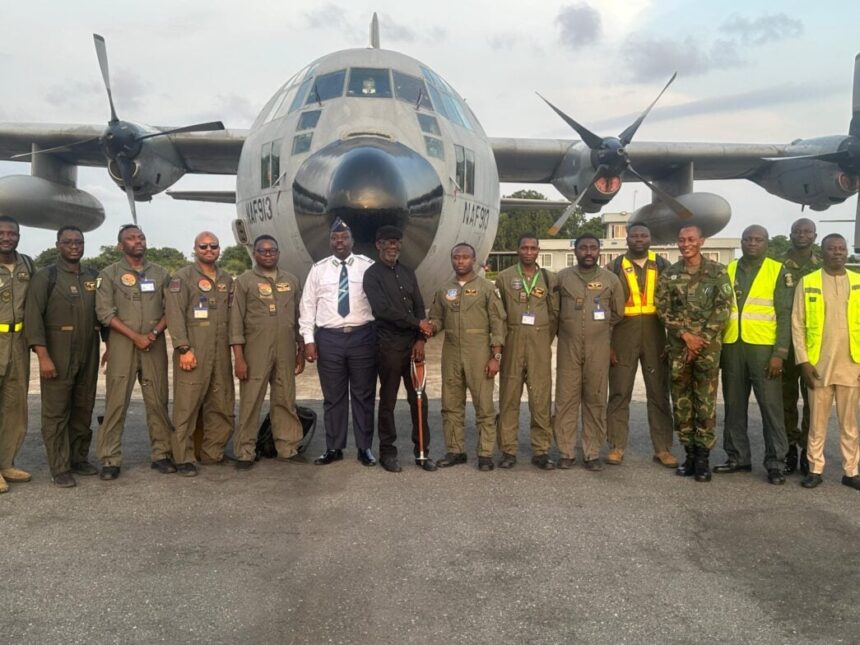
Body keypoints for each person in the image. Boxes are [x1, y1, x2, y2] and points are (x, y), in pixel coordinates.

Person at [25, 226, 102, 487]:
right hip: (58, 351)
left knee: (83, 406)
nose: (74, 246)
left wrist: (110, 346)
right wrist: (43, 356)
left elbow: (103, 312)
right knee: (56, 411)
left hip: (89, 351)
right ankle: (59, 467)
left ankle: (78, 458)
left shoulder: (93, 276)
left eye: (78, 242)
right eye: (68, 242)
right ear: (58, 245)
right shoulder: (46, 277)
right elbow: (33, 318)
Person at [95, 224, 173, 480]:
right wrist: (135, 336)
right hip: (122, 345)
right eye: (131, 238)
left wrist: (153, 334)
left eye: (141, 237)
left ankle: (162, 454)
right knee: (116, 402)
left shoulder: (161, 273)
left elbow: (171, 309)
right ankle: (110, 458)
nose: (138, 241)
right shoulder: (109, 274)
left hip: (153, 344)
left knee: (158, 400)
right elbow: (104, 313)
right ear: (121, 246)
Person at [714, 225, 791, 485]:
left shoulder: (777, 270)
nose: (752, 243)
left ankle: (776, 462)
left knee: (771, 408)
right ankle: (738, 457)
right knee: (734, 405)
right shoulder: (730, 269)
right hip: (733, 346)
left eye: (758, 239)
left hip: (764, 349)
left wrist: (780, 353)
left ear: (766, 243)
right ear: (742, 242)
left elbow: (784, 315)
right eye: (748, 239)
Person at [655, 225, 733, 483]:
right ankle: (688, 453)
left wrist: (701, 340)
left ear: (701, 241)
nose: (685, 244)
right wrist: (685, 336)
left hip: (707, 350)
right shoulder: (670, 273)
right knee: (681, 401)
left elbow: (723, 308)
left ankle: (703, 458)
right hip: (679, 347)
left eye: (690, 239)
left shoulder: (717, 271)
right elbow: (662, 308)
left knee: (705, 402)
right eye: (681, 240)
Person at [299, 219, 377, 466]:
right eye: (334, 238)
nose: (339, 242)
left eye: (344, 238)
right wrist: (309, 340)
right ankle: (334, 447)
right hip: (329, 338)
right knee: (333, 397)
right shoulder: (318, 269)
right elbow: (308, 305)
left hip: (362, 336)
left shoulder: (367, 266)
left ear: (352, 241)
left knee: (363, 395)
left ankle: (364, 447)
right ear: (330, 242)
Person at [363, 225, 436, 473]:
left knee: (419, 399)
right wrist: (417, 323)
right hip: (389, 345)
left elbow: (420, 306)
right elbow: (382, 310)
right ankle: (388, 452)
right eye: (387, 242)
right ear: (378, 245)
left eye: (396, 242)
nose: (392, 246)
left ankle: (422, 452)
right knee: (389, 400)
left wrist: (421, 339)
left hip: (412, 344)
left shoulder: (408, 272)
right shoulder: (372, 275)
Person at [791, 233, 860, 490]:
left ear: (846, 251)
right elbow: (797, 324)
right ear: (823, 252)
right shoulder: (808, 282)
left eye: (841, 248)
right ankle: (815, 469)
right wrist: (803, 362)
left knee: (849, 423)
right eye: (832, 248)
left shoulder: (858, 282)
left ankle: (851, 471)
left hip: (852, 364)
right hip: (818, 365)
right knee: (816, 423)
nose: (837, 252)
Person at [428, 242, 505, 471]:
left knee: (484, 405)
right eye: (456, 257)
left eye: (465, 257)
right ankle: (455, 450)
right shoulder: (444, 290)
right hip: (451, 352)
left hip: (478, 352)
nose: (460, 261)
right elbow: (437, 318)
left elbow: (498, 324)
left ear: (473, 260)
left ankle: (485, 454)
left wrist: (496, 356)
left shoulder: (486, 289)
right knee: (451, 404)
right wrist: (431, 327)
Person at [230, 235, 304, 470]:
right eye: (263, 251)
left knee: (285, 398)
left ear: (278, 253)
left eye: (273, 250)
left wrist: (300, 349)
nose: (268, 254)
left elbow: (299, 318)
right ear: (255, 254)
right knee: (251, 401)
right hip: (255, 351)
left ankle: (288, 448)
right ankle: (245, 451)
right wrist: (239, 357)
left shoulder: (291, 280)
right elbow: (235, 321)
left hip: (285, 349)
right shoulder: (244, 282)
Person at [606, 223, 676, 468]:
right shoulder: (614, 267)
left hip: (656, 334)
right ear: (626, 239)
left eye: (643, 235)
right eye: (634, 235)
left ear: (650, 238)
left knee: (659, 392)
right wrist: (608, 344)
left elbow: (674, 303)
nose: (638, 239)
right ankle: (616, 445)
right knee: (619, 390)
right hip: (623, 334)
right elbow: (605, 306)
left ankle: (663, 448)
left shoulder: (664, 266)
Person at [165, 232, 235, 476]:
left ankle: (212, 452)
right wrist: (183, 348)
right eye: (203, 246)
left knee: (221, 403)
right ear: (195, 249)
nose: (209, 250)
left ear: (219, 249)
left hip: (220, 351)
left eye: (213, 246)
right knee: (187, 405)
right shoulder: (182, 277)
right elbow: (174, 315)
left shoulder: (226, 278)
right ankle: (182, 456)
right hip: (194, 350)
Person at [553, 234, 624, 471]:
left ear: (599, 251)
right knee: (566, 400)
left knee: (595, 399)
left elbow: (618, 312)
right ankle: (566, 451)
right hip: (568, 348)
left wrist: (599, 329)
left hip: (598, 347)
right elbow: (553, 310)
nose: (588, 252)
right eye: (583, 248)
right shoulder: (562, 278)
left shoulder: (611, 280)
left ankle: (592, 452)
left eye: (593, 248)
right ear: (575, 251)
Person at [494, 234, 558, 470]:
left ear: (538, 251)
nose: (529, 252)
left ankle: (541, 450)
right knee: (509, 398)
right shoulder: (504, 277)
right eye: (524, 248)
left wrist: (543, 338)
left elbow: (555, 314)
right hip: (512, 341)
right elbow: (498, 314)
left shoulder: (549, 278)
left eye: (533, 248)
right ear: (518, 250)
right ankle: (508, 450)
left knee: (540, 398)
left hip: (539, 344)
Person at [780, 218, 820, 475]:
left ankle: (808, 450)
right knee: (786, 399)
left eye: (807, 232)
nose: (802, 235)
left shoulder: (823, 266)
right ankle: (789, 449)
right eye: (798, 231)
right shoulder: (778, 266)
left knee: (813, 401)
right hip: (786, 344)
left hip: (813, 346)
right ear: (791, 234)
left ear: (815, 236)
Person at [0, 215, 35, 493]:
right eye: (1, 233)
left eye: (11, 233)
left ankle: (6, 463)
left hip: (19, 341)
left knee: (15, 407)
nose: (6, 238)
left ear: (18, 236)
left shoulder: (27, 264)